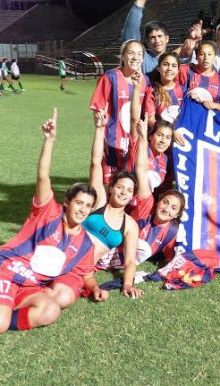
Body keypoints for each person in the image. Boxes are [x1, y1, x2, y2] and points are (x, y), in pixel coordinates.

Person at [0, 109, 106, 336]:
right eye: (79, 203)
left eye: (87, 206)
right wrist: (49, 140)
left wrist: (95, 289)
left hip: (28, 285)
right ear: (67, 202)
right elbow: (43, 177)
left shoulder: (84, 244)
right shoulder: (47, 212)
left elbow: (87, 274)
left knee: (50, 310)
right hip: (3, 270)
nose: (82, 209)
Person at [96, 119, 186, 275]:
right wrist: (142, 136)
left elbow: (166, 189)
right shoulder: (140, 145)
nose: (163, 140)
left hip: (141, 208)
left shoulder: (165, 160)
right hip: (126, 204)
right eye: (160, 135)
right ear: (151, 136)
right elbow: (141, 170)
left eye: (167, 137)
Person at [86, 111, 143, 299]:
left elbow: (130, 261)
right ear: (111, 188)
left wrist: (127, 283)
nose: (123, 192)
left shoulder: (130, 225)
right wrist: (99, 129)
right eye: (120, 187)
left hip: (82, 269)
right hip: (64, 250)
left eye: (128, 190)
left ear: (132, 197)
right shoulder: (99, 201)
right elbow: (95, 163)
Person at [89, 39, 150, 184]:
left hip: (134, 144)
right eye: (131, 53)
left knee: (128, 188)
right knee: (107, 187)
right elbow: (98, 110)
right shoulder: (111, 77)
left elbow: (147, 113)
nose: (135, 57)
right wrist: (101, 137)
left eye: (139, 54)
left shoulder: (145, 81)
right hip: (112, 142)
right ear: (122, 56)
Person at [121, 0, 172, 74]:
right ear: (148, 41)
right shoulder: (142, 59)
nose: (157, 40)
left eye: (160, 36)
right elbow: (130, 35)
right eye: (152, 37)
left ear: (167, 38)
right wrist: (140, 0)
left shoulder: (173, 61)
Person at [179, 40, 220, 114]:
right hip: (187, 117)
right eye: (202, 54)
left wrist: (215, 105)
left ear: (215, 56)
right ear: (196, 56)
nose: (206, 58)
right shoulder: (187, 71)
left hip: (210, 121)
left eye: (209, 54)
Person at [144, 53, 184, 126]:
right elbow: (150, 120)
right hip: (161, 135)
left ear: (178, 70)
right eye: (165, 64)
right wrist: (170, 132)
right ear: (158, 68)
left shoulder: (183, 90)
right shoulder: (151, 91)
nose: (169, 69)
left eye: (174, 66)